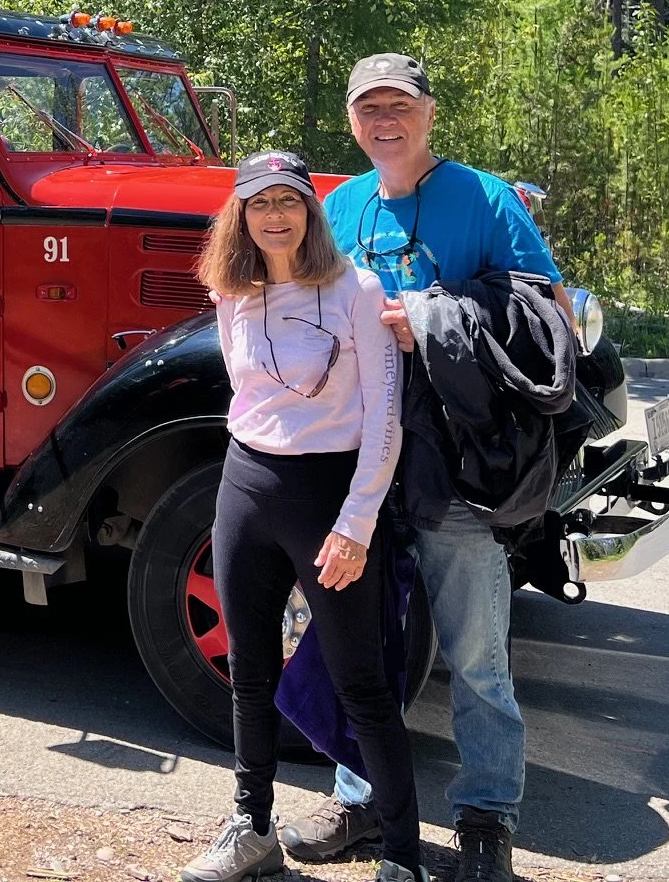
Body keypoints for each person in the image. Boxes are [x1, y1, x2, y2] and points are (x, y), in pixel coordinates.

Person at [279, 55, 564, 882]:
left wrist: (435, 316)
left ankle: (485, 818)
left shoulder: (483, 198)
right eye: (368, 108)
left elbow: (542, 305)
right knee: (359, 644)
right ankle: (360, 799)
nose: (383, 121)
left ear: (428, 112)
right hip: (359, 461)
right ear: (352, 122)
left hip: (459, 462)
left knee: (476, 653)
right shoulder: (340, 206)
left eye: (397, 105)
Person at [179, 150, 426, 882]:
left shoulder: (357, 290)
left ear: (310, 213)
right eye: (260, 205)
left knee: (363, 680)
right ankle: (251, 831)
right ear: (241, 217)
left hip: (329, 498)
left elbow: (385, 421)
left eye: (289, 202)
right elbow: (246, 395)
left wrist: (357, 522)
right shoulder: (233, 293)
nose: (275, 217)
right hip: (245, 487)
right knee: (249, 672)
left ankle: (403, 858)